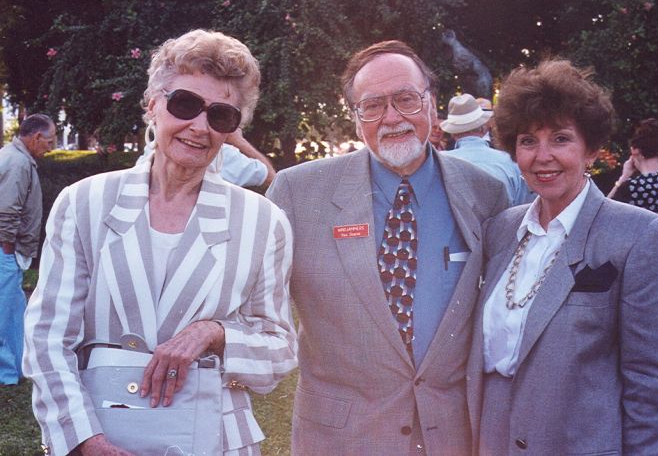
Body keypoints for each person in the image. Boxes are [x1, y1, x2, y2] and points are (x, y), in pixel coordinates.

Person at [23, 29, 296, 455]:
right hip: (102, 435)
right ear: (153, 104)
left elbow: (280, 350)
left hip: (218, 442)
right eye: (185, 104)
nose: (199, 127)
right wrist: (85, 441)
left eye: (221, 116)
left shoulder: (263, 221)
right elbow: (47, 340)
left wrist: (214, 333)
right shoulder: (84, 203)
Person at [267, 40, 508, 454]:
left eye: (406, 99)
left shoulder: (486, 193)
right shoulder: (296, 193)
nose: (392, 118)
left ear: (432, 105)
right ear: (355, 118)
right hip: (342, 439)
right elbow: (250, 303)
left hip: (452, 437)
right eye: (373, 106)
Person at [466, 59, 658, 455]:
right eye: (528, 141)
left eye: (561, 139)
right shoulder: (499, 230)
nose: (542, 156)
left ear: (591, 150)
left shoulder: (640, 235)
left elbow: (651, 381)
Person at [608, 118, 658, 312]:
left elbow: (600, 212)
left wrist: (622, 178)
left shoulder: (631, 188)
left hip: (640, 270)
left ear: (634, 152)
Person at [0, 114, 55, 385]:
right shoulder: (18, 162)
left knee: (15, 312)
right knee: (5, 312)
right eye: (50, 141)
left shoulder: (15, 157)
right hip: (4, 251)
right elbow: (7, 211)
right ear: (36, 137)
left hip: (7, 251)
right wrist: (8, 251)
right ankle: (7, 373)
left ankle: (19, 367)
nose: (51, 148)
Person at [442, 93, 534, 206]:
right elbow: (525, 207)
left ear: (453, 133)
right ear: (483, 128)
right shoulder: (510, 161)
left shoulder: (439, 163)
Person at [137, 125, 276, 187]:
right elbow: (272, 177)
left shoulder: (151, 151)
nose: (198, 128)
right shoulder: (225, 155)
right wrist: (239, 141)